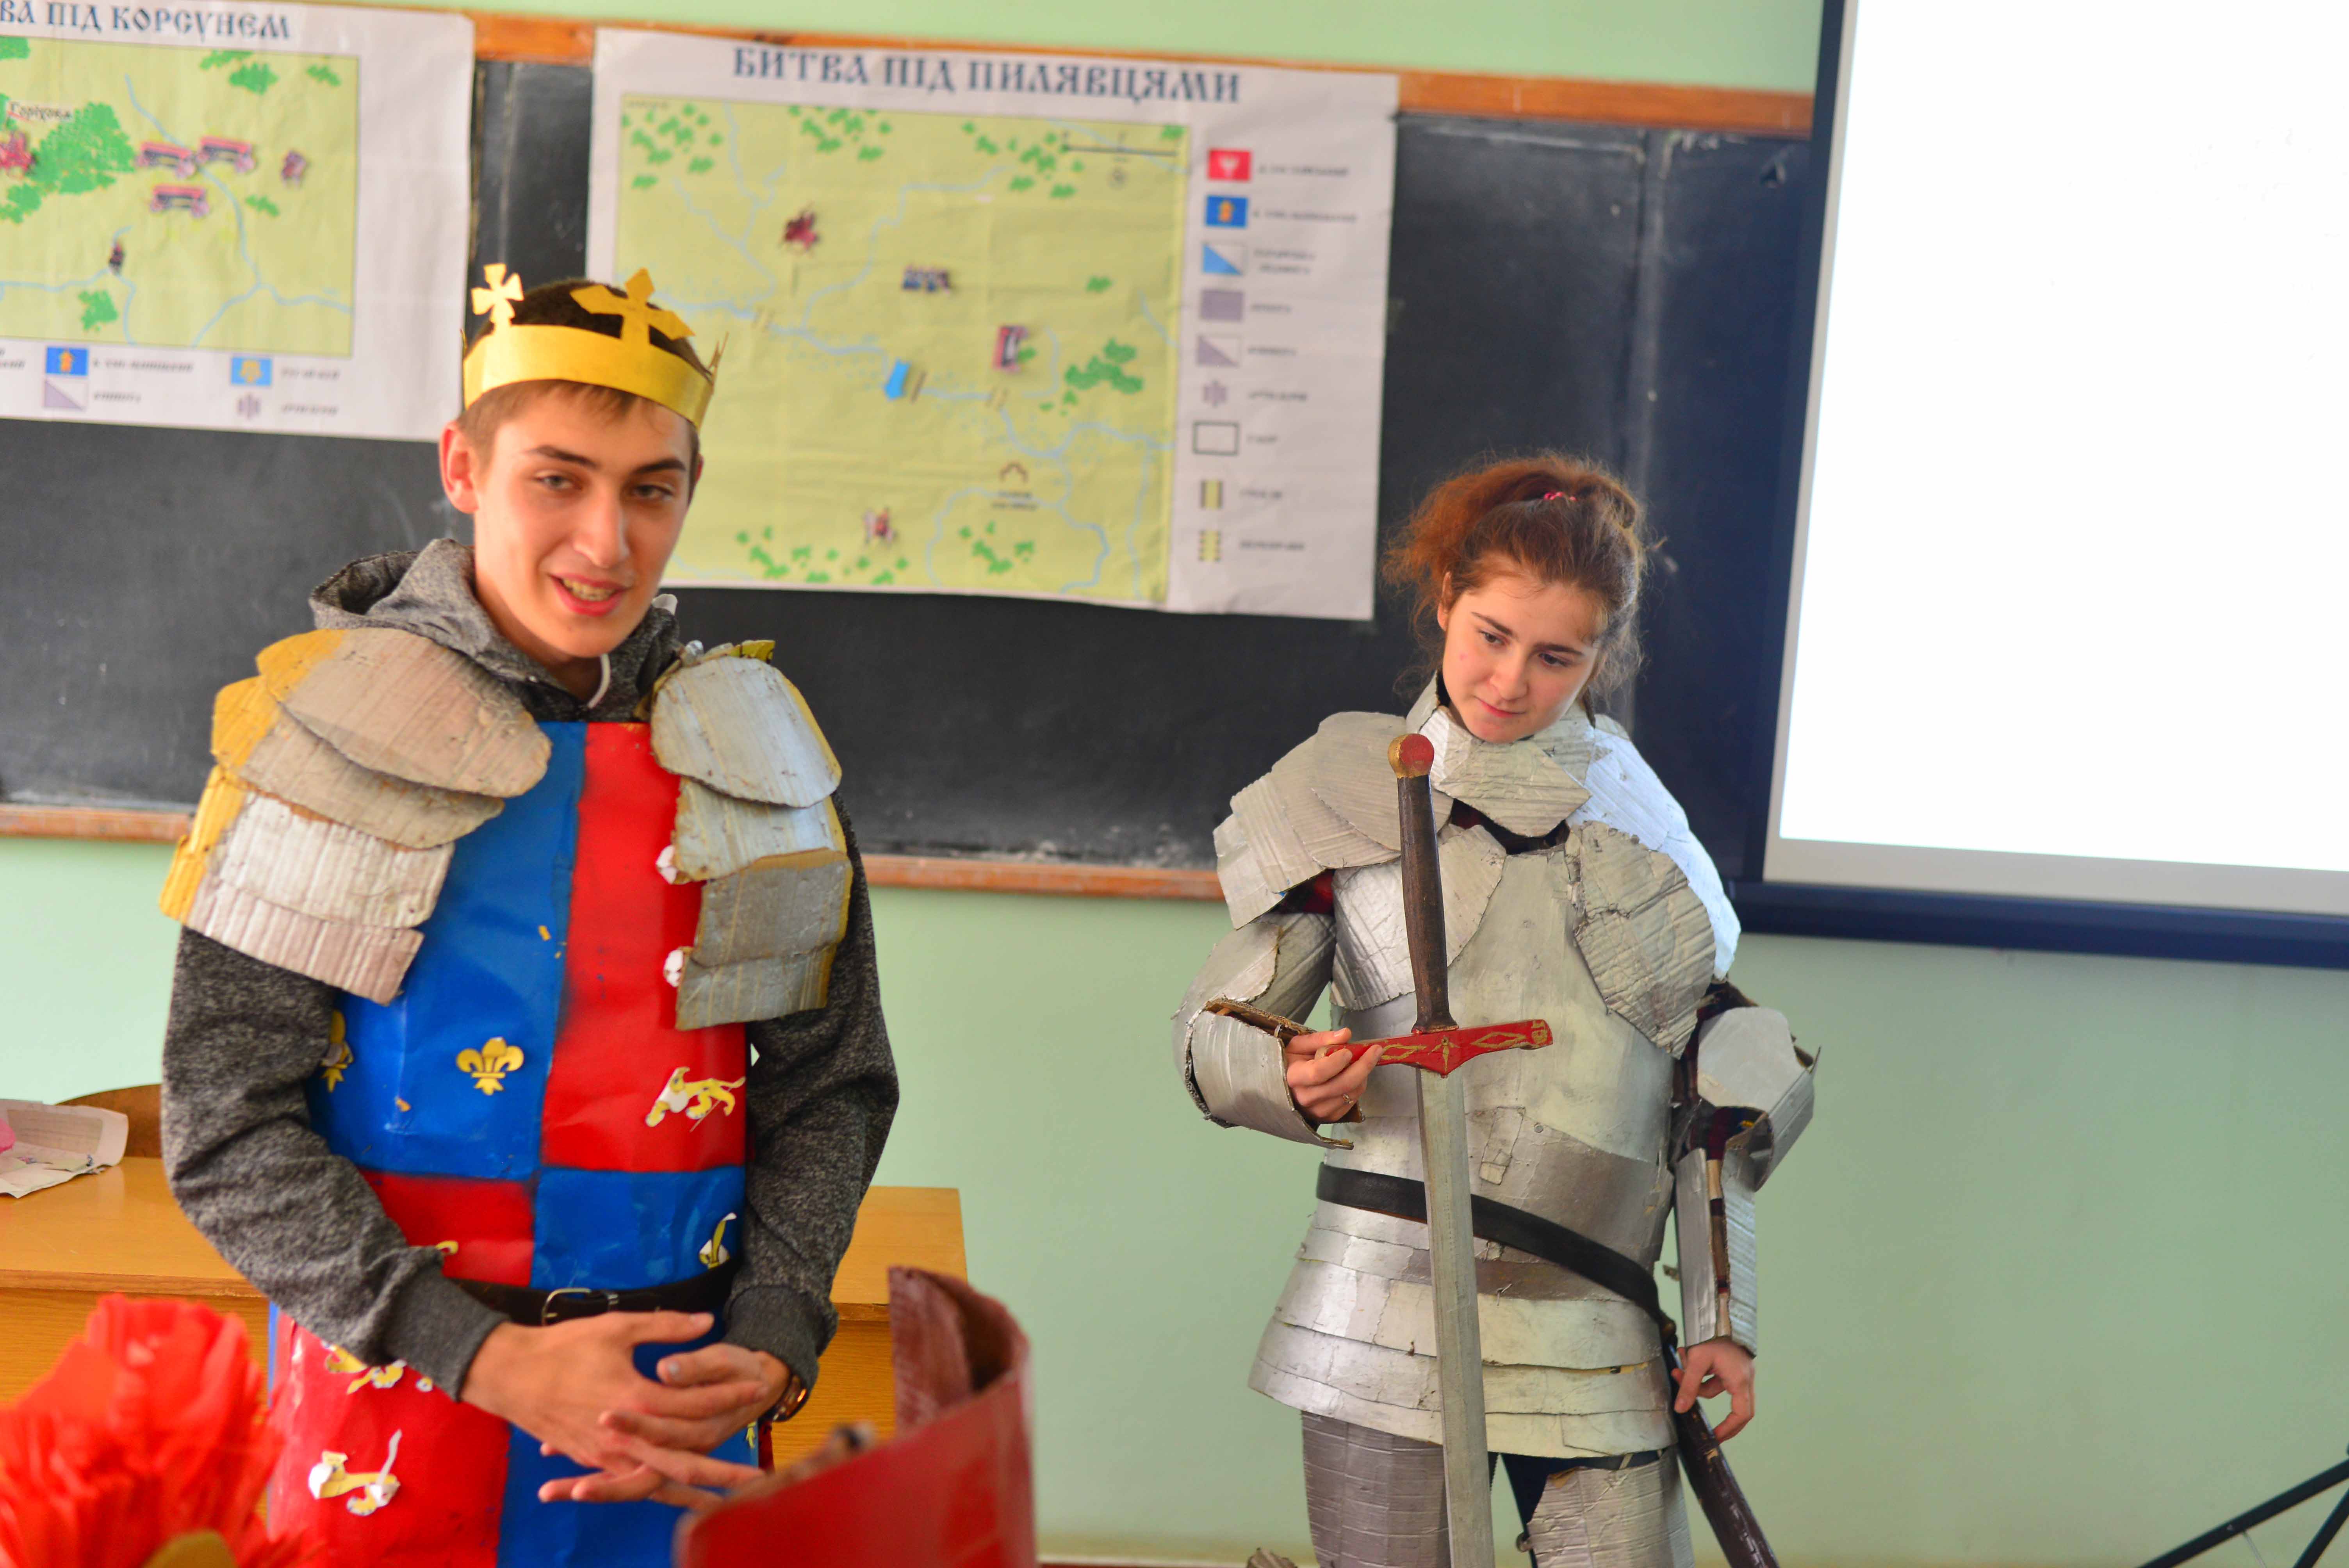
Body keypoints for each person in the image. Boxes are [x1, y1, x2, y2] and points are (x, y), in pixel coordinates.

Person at [159, 266, 898, 1566]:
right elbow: (226, 1122)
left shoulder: (752, 750)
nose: (606, 542)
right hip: (395, 1402)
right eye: (558, 479)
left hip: (677, 1406)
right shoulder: (324, 737)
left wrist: (777, 1323)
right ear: (463, 466)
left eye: (650, 490)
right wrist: (482, 1356)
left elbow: (829, 1084)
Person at [1173, 454, 1818, 1566]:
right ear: (1446, 600)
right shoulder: (1342, 788)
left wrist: (1723, 1318)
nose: (1511, 680)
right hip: (1382, 1302)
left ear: (1602, 658)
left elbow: (1714, 1083)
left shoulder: (1643, 823)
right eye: (1491, 635)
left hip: (1598, 1310)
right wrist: (1287, 1071)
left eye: (1556, 656)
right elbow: (1220, 1023)